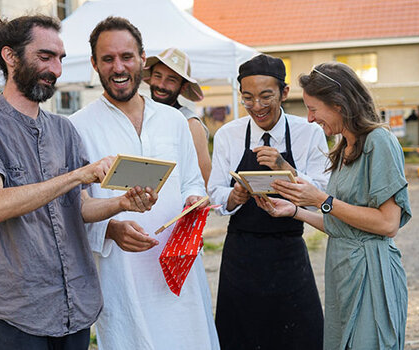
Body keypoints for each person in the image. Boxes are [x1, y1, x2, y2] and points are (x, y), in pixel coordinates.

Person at [0, 15, 157, 350]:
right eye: (45, 57)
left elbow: (78, 206)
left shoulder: (64, 129)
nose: (57, 70)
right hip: (18, 310)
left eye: (60, 59)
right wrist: (78, 174)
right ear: (11, 56)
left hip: (76, 305)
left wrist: (121, 203)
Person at [69, 16, 219, 350]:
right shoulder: (75, 127)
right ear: (94, 64)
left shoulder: (173, 121)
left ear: (142, 60)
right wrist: (110, 229)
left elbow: (193, 181)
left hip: (178, 268)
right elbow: (70, 208)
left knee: (190, 339)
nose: (118, 67)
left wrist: (193, 207)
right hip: (121, 276)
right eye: (107, 59)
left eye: (126, 57)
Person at [256, 62, 412, 350]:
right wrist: (294, 211)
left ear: (339, 104)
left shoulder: (379, 142)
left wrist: (320, 199)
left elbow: (388, 224)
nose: (311, 119)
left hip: (371, 272)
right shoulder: (343, 148)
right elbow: (340, 224)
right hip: (342, 270)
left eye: (314, 109)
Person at [207, 54, 329, 349]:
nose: (256, 107)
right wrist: (234, 197)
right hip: (241, 251)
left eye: (265, 96)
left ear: (284, 93)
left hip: (288, 251)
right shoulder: (228, 134)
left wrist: (288, 169)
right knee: (240, 336)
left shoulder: (309, 132)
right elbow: (214, 192)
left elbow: (324, 192)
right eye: (247, 98)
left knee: (299, 335)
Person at [143, 48, 212, 186]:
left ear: (183, 87)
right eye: (157, 76)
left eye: (171, 80)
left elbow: (205, 180)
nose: (161, 85)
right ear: (150, 78)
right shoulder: (140, 115)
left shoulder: (190, 124)